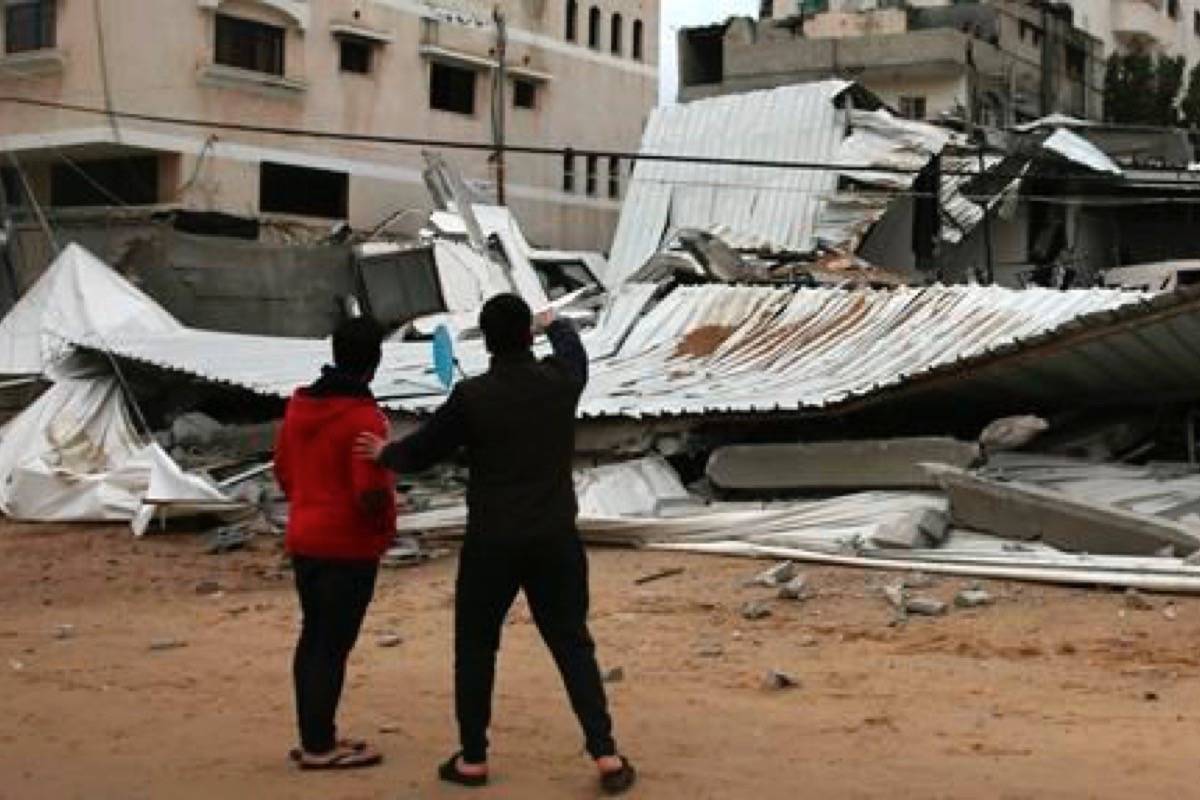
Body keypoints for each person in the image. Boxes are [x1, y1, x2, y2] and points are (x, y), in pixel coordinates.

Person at [355, 294, 636, 795]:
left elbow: (421, 451)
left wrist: (385, 453)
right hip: (554, 537)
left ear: (485, 341)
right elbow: (575, 353)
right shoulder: (558, 383)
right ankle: (606, 753)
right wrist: (557, 324)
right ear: (528, 336)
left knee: (476, 648)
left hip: (492, 542)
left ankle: (473, 759)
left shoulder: (473, 396)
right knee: (572, 643)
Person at [274, 316, 396, 770]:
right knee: (332, 645)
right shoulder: (364, 417)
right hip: (347, 545)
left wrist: (308, 502)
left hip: (305, 536)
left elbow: (284, 470)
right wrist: (384, 528)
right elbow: (369, 490)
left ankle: (315, 734)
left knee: (314, 638)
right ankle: (320, 746)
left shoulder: (299, 407)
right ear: (375, 362)